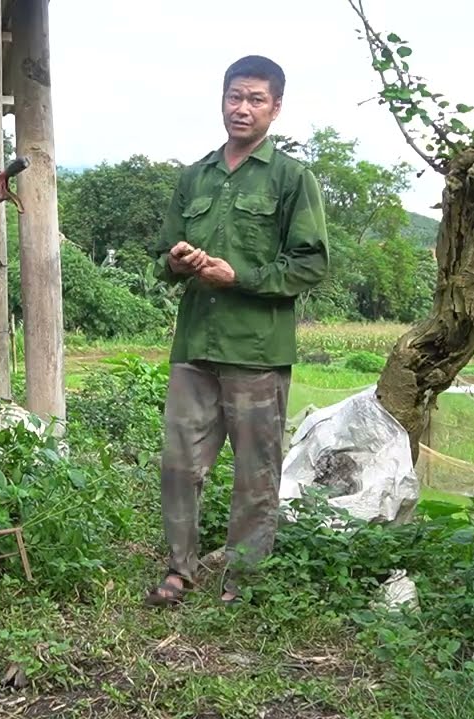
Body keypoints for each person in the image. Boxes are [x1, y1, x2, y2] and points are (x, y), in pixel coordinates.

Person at [144, 55, 330, 607]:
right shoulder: (195, 176)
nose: (242, 108)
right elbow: (160, 258)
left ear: (275, 107)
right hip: (194, 345)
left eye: (255, 99)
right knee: (178, 464)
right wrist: (177, 261)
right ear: (221, 99)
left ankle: (243, 578)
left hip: (256, 350)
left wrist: (239, 276)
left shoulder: (293, 178)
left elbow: (310, 265)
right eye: (234, 96)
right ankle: (180, 569)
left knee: (256, 473)